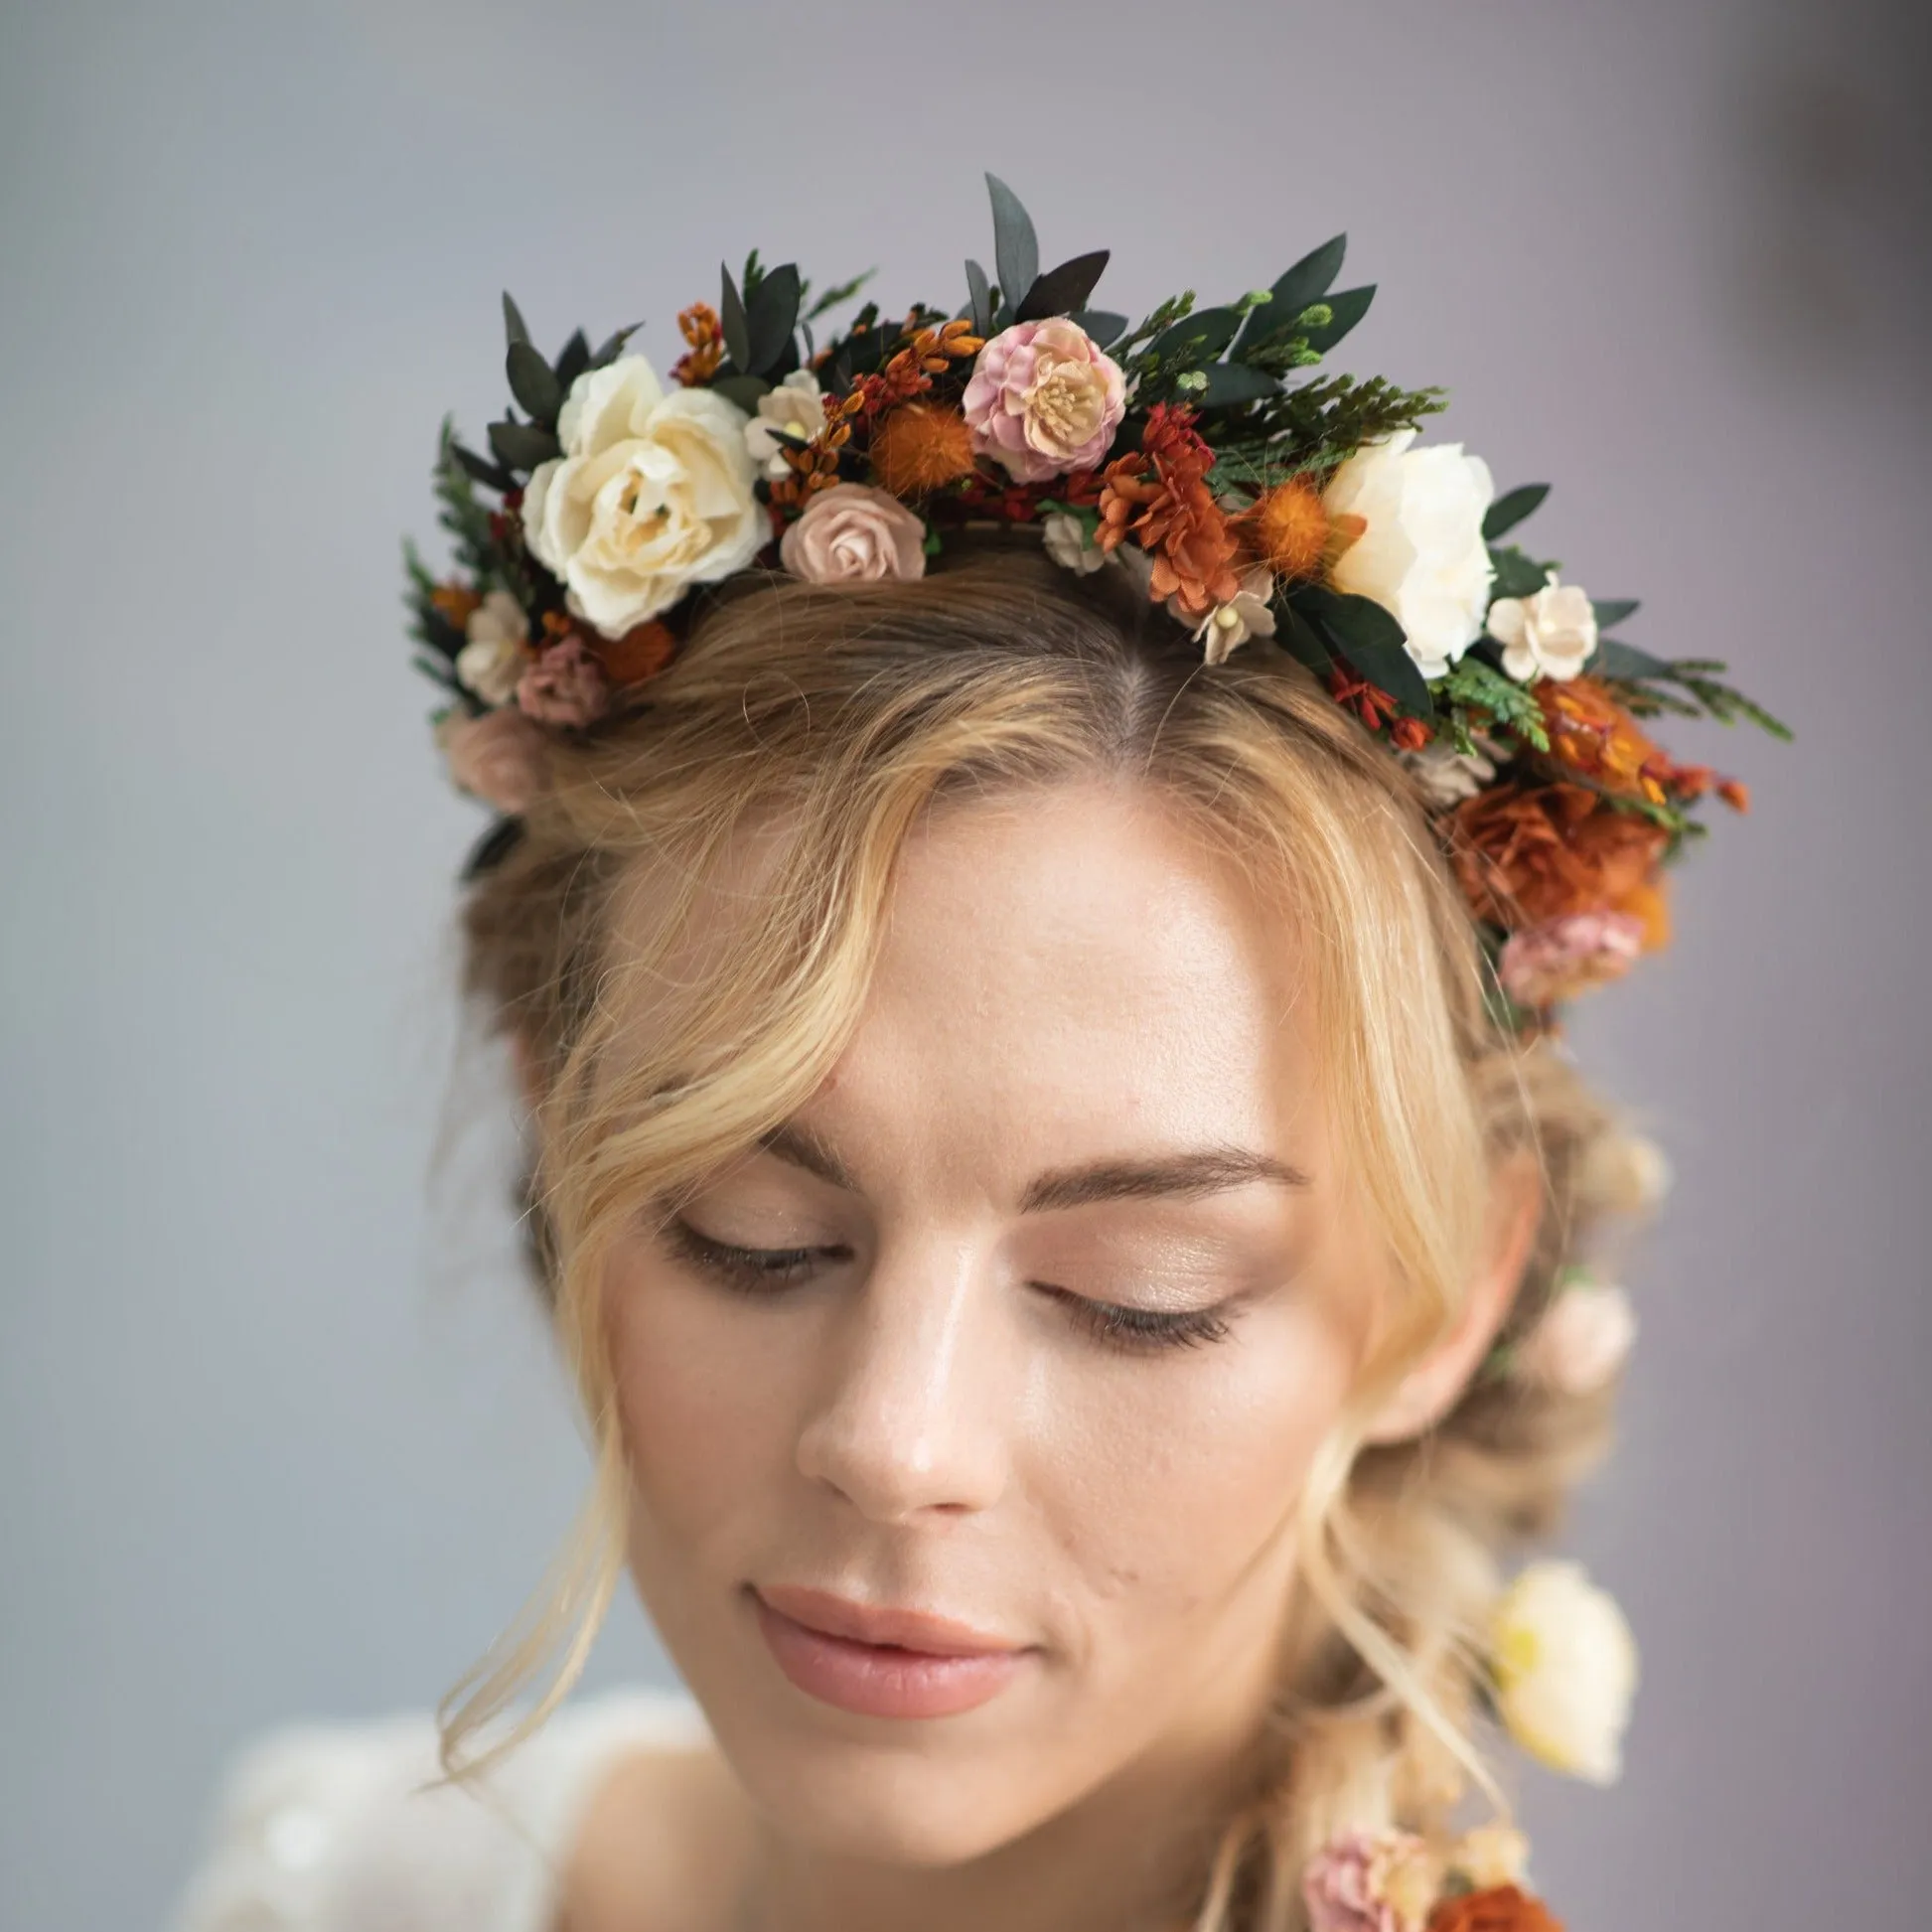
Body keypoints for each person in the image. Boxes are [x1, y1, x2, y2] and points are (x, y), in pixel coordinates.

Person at [174, 182, 1778, 1932]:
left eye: (1137, 1291)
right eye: (749, 1228)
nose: (892, 1439)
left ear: (1450, 1297)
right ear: (558, 1135)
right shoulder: (358, 1878)